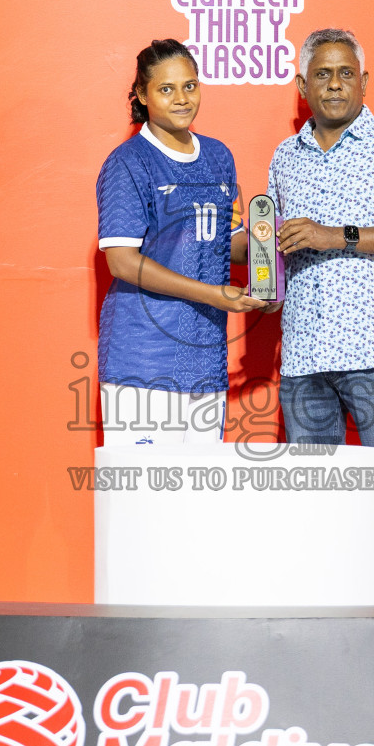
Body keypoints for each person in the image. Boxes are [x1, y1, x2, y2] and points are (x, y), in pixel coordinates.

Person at [268, 28, 374, 605]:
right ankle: (320, 620)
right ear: (303, 86)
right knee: (312, 498)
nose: (335, 84)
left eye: (346, 73)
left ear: (365, 82)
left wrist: (334, 235)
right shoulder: (283, 158)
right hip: (304, 357)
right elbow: (269, 246)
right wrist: (246, 247)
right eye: (323, 74)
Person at [96, 39, 266, 444]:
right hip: (142, 362)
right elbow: (121, 261)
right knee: (142, 502)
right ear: (142, 94)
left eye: (190, 86)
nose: (181, 99)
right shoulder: (128, 163)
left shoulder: (218, 156)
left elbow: (231, 242)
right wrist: (213, 294)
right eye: (166, 89)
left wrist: (271, 244)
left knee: (199, 504)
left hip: (205, 360)